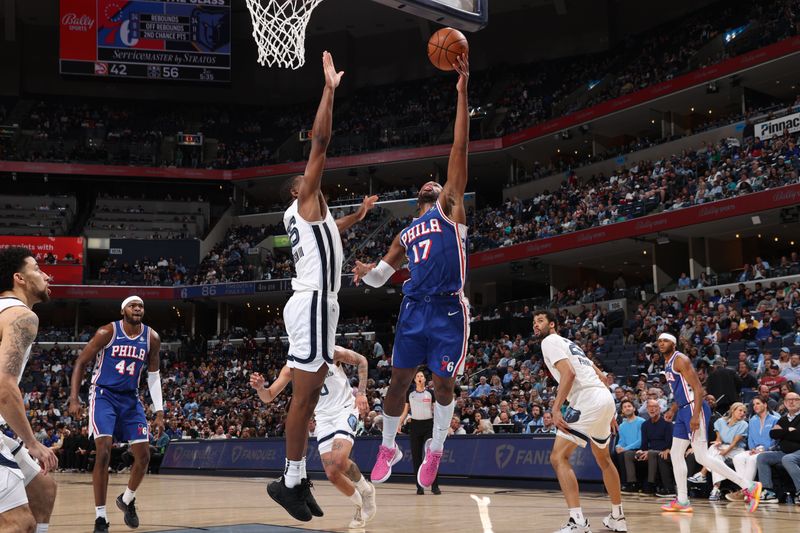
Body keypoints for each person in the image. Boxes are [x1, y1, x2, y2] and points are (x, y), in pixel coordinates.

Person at [353, 54, 472, 492]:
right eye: (427, 187)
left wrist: (460, 94)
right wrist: (367, 271)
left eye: (437, 184)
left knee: (443, 383)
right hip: (413, 308)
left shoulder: (450, 209)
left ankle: (437, 448)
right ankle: (389, 446)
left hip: (447, 310)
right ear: (417, 198)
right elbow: (385, 276)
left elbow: (459, 150)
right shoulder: (406, 232)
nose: (432, 185)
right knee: (398, 381)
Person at [268, 50, 345, 522]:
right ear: (298, 192)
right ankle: (291, 480)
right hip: (315, 302)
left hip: (315, 302)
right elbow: (320, 143)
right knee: (305, 397)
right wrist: (329, 90)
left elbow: (341, 228)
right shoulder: (306, 204)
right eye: (305, 182)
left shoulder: (313, 218)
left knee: (309, 395)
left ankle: (294, 477)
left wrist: (359, 214)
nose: (312, 181)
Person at [250, 346, 376, 529]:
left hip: (345, 409)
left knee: (339, 461)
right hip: (323, 418)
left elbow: (362, 360)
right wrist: (260, 388)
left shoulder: (331, 351)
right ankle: (358, 505)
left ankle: (366, 490)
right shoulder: (292, 367)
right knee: (332, 474)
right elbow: (268, 396)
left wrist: (362, 393)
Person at [68, 296, 164, 532]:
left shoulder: (152, 338)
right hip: (104, 395)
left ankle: (127, 500)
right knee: (103, 452)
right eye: (133, 305)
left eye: (141, 305)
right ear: (123, 310)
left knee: (143, 456)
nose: (138, 309)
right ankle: (101, 517)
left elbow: (153, 376)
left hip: (130, 399)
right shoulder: (107, 332)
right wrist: (73, 397)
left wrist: (159, 410)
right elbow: (81, 362)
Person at [533, 310, 626, 533]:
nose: (535, 325)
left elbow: (569, 374)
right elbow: (603, 377)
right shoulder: (572, 345)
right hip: (603, 399)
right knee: (604, 459)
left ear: (552, 324)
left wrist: (556, 408)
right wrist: (610, 411)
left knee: (558, 457)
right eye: (533, 322)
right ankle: (618, 517)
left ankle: (578, 522)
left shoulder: (550, 341)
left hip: (586, 399)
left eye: (540, 321)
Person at [657, 333, 762, 514]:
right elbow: (681, 390)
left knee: (702, 457)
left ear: (673, 345)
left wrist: (696, 415)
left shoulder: (680, 359)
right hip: (683, 409)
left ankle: (749, 486)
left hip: (693, 409)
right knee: (675, 453)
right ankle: (682, 500)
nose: (661, 343)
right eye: (659, 341)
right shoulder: (667, 363)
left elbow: (698, 389)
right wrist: (673, 409)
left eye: (665, 340)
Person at [0, 247, 59, 533]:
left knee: (43, 487)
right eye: (37, 268)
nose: (46, 274)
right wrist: (32, 442)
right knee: (18, 523)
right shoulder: (21, 317)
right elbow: (3, 385)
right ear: (19, 278)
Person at [727, 397, 779, 501]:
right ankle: (747, 489)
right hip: (754, 449)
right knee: (737, 458)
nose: (755, 406)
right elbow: (750, 438)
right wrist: (752, 448)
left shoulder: (775, 419)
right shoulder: (752, 420)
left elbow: (777, 439)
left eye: (758, 403)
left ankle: (745, 491)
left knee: (751, 459)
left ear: (765, 405)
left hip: (768, 450)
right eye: (754, 404)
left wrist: (764, 449)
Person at [399, 370, 441, 495]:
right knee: (416, 457)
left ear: (425, 379)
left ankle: (435, 486)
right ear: (414, 379)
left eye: (421, 376)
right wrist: (399, 423)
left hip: (429, 425)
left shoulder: (431, 393)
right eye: (417, 376)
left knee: (431, 457)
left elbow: (437, 411)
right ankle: (419, 487)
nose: (419, 378)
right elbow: (405, 411)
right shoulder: (410, 394)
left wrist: (442, 425)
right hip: (415, 426)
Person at [755, 391, 800, 503]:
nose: (791, 402)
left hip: (797, 452)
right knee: (762, 457)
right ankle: (769, 492)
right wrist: (789, 431)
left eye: (795, 399)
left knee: (787, 459)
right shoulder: (783, 418)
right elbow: (773, 434)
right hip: (785, 452)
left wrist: (783, 432)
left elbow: (798, 435)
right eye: (788, 400)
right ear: (784, 403)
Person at [703, 402, 749, 501]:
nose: (742, 413)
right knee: (715, 452)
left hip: (736, 450)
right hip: (723, 446)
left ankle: (703, 473)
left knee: (713, 452)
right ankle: (716, 488)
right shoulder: (720, 421)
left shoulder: (744, 424)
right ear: (733, 410)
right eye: (740, 410)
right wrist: (718, 443)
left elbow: (735, 442)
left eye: (744, 412)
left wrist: (725, 451)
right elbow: (718, 438)